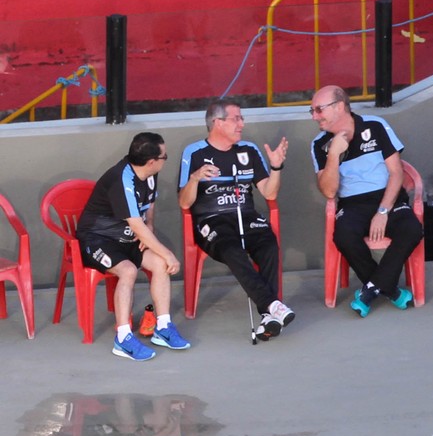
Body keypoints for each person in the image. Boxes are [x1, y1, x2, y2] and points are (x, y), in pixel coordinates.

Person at [178, 98, 294, 341]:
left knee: (269, 246)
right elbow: (184, 203)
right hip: (212, 219)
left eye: (242, 118)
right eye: (236, 118)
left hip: (246, 216)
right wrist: (195, 178)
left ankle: (268, 314)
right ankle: (273, 305)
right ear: (217, 123)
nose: (242, 123)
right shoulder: (195, 152)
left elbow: (269, 193)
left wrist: (276, 167)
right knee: (232, 250)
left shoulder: (248, 150)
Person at [310, 85, 424, 318]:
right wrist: (333, 155)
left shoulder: (375, 126)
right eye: (312, 111)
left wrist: (382, 212)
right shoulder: (319, 144)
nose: (314, 116)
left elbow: (396, 173)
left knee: (412, 229)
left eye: (319, 110)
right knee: (343, 236)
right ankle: (390, 290)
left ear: (339, 107)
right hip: (352, 204)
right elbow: (329, 192)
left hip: (387, 198)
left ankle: (370, 290)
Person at [77, 132, 191, 361]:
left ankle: (163, 327)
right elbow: (136, 226)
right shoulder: (122, 180)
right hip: (96, 239)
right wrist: (169, 253)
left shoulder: (149, 172)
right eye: (164, 156)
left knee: (159, 264)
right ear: (152, 161)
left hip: (126, 236)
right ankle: (123, 338)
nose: (165, 159)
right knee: (129, 270)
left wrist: (150, 225)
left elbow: (148, 205)